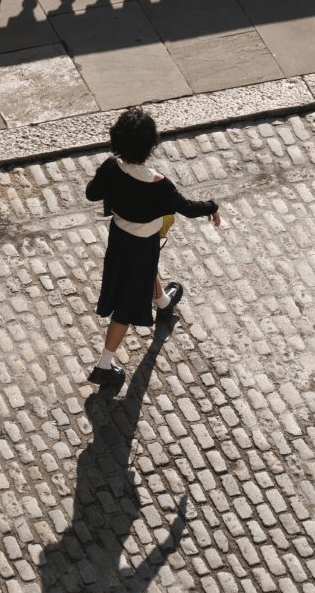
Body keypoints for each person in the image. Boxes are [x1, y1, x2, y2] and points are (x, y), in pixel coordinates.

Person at [85, 108, 219, 395]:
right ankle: (103, 366)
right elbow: (187, 208)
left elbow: (92, 193)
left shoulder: (110, 167)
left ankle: (163, 303)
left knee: (141, 274)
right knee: (125, 306)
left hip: (119, 239)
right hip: (143, 243)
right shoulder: (159, 184)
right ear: (149, 145)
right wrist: (212, 206)